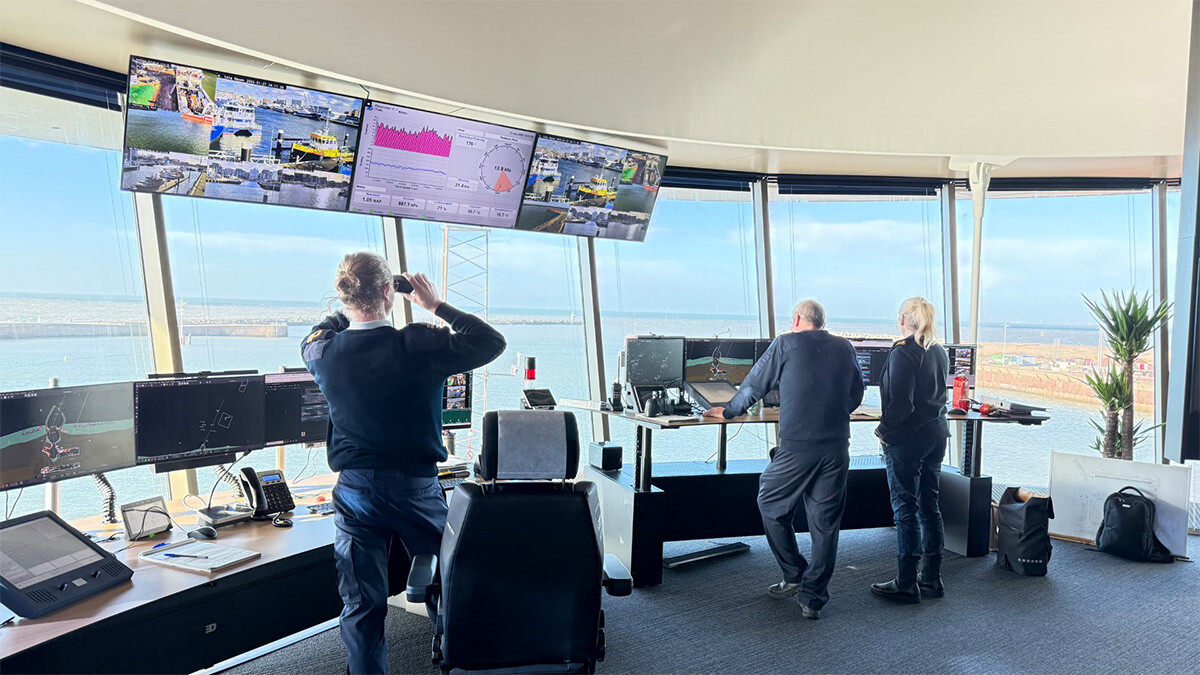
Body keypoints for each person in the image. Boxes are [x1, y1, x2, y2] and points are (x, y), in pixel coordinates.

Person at [302, 252, 506, 674]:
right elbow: (490, 341)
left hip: (355, 493)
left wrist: (349, 312)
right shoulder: (416, 342)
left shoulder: (324, 353)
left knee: (361, 602)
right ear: (387, 291)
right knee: (449, 581)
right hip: (415, 488)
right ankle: (459, 664)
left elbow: (319, 332)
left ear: (345, 297)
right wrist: (435, 306)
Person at [703, 300, 863, 619]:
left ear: (796, 319)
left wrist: (730, 410)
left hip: (797, 447)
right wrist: (832, 413)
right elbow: (856, 392)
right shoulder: (844, 347)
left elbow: (755, 386)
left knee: (770, 502)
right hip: (836, 448)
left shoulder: (785, 343)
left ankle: (794, 573)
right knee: (825, 524)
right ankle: (812, 598)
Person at [870, 297, 951, 604]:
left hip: (907, 438)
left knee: (906, 509)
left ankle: (906, 582)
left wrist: (882, 430)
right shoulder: (938, 350)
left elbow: (901, 403)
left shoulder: (903, 351)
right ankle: (931, 578)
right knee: (930, 506)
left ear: (904, 320)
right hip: (935, 435)